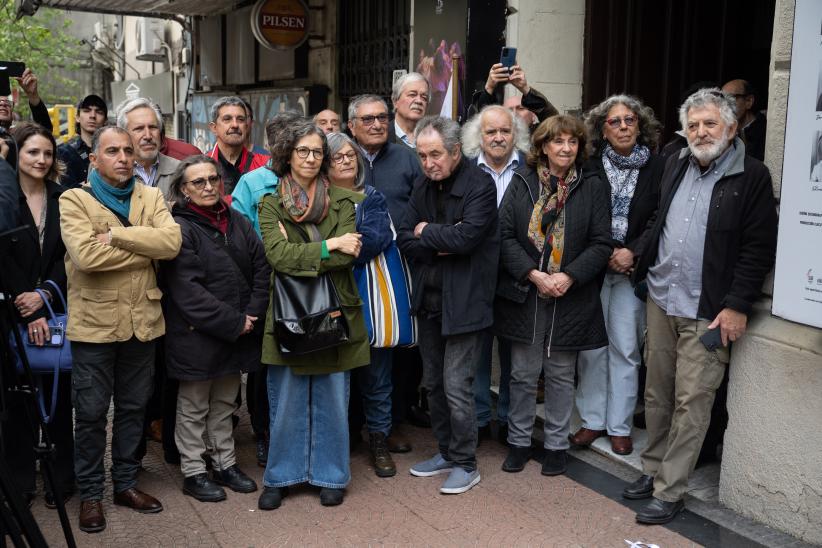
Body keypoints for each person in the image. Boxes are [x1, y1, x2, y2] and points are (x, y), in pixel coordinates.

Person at [624, 88, 778, 525]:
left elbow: (758, 248)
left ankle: (670, 490)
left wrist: (737, 305)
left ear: (731, 127)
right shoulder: (674, 161)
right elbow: (656, 218)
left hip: (709, 310)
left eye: (710, 123)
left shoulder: (752, 175)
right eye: (692, 125)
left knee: (692, 402)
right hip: (662, 299)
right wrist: (642, 258)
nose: (700, 132)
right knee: (656, 395)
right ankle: (652, 469)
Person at [59, 126, 182, 533]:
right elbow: (87, 257)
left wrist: (113, 236)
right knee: (91, 413)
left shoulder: (151, 196)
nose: (124, 158)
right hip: (94, 327)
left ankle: (125, 484)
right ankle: (91, 494)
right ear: (94, 159)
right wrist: (145, 248)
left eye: (128, 151)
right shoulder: (73, 199)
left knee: (134, 408)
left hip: (142, 323)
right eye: (112, 151)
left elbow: (171, 244)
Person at [257, 119, 368, 510]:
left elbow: (346, 257)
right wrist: (328, 245)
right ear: (287, 155)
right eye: (302, 150)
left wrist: (313, 251)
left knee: (333, 400)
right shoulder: (270, 203)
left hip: (336, 311)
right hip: (289, 313)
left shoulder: (344, 201)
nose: (309, 158)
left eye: (317, 152)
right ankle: (281, 477)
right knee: (285, 401)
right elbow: (278, 257)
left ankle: (330, 476)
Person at [494, 115, 611, 477]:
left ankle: (557, 446)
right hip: (526, 292)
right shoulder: (523, 180)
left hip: (570, 294)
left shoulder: (592, 185)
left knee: (561, 375)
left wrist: (568, 276)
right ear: (543, 146)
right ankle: (518, 442)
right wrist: (533, 274)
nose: (566, 148)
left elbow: (601, 242)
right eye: (558, 141)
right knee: (523, 374)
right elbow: (503, 235)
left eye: (572, 142)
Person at [397, 116, 499, 495]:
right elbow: (404, 237)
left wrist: (428, 232)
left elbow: (467, 238)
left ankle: (466, 463)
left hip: (467, 303)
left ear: (456, 151)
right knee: (434, 385)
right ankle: (446, 452)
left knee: (457, 386)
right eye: (422, 156)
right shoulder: (423, 185)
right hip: (429, 299)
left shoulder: (480, 184)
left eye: (435, 154)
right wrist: (440, 240)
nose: (428, 163)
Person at [162, 155, 270, 502]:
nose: (209, 186)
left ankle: (225, 464)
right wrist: (236, 322)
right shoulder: (179, 227)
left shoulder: (237, 220)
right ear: (184, 189)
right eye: (199, 182)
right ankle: (194, 472)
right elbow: (187, 291)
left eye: (213, 179)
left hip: (237, 332)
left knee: (224, 404)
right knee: (193, 408)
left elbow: (261, 268)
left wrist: (251, 314)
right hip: (197, 335)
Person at [571, 95, 665, 456]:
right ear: (603, 130)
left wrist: (632, 252)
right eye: (615, 121)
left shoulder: (658, 167)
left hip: (630, 270)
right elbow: (581, 212)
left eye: (630, 120)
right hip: (593, 268)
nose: (623, 126)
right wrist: (605, 251)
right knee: (592, 349)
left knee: (625, 348)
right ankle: (593, 420)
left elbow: (659, 215)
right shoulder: (589, 165)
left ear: (640, 126)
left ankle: (619, 426)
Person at [348, 94, 425, 451]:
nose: (377, 124)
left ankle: (390, 425)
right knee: (351, 350)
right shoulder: (341, 156)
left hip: (397, 266)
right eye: (368, 119)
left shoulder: (407, 158)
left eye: (382, 117)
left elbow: (422, 205)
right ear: (352, 126)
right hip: (348, 268)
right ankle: (352, 427)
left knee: (391, 350)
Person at [3, 122, 74, 508]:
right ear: (16, 153)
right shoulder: (4, 198)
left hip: (55, 306)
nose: (42, 160)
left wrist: (44, 294)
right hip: (12, 311)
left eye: (48, 153)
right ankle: (20, 479)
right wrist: (24, 303)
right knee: (18, 398)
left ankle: (61, 478)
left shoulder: (65, 198)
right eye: (33, 152)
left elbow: (71, 255)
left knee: (59, 395)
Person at [231, 111, 302, 467]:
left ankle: (295, 431)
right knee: (263, 366)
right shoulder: (252, 182)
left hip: (304, 284)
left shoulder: (311, 179)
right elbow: (239, 234)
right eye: (283, 142)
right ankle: (263, 432)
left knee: (300, 357)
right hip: (266, 284)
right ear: (271, 144)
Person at [326, 131, 397, 477]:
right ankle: (342, 439)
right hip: (330, 296)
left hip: (369, 297)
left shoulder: (372, 197)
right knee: (337, 375)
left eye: (350, 155)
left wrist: (331, 248)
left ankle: (379, 440)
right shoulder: (317, 198)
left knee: (376, 374)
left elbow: (373, 241)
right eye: (337, 157)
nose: (346, 161)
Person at [460, 105, 530, 442]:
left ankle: (506, 420)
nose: (498, 137)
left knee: (514, 356)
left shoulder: (531, 169)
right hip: (475, 275)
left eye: (505, 131)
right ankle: (479, 418)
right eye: (491, 132)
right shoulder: (465, 169)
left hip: (519, 275)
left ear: (516, 134)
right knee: (476, 353)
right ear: (480, 136)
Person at [468, 63, 558, 132]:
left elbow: (555, 122)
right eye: (509, 110)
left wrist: (524, 88)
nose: (514, 113)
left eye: (520, 108)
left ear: (533, 115)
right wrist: (489, 88)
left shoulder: (539, 137)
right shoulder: (496, 139)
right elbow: (480, 122)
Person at [206, 96, 269, 195]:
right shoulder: (201, 167)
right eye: (227, 119)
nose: (235, 125)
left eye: (240, 119)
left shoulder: (265, 165)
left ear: (246, 126)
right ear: (214, 128)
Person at [117, 98, 180, 195]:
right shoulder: (113, 172)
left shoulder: (179, 170)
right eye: (139, 129)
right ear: (124, 135)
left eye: (153, 127)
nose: (148, 136)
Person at [57, 94, 108, 188]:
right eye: (87, 111)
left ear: (105, 120)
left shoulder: (114, 150)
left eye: (99, 112)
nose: (92, 116)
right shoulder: (64, 152)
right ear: (77, 117)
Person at [721, 79, 767, 161]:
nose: (725, 105)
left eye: (731, 98)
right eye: (722, 99)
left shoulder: (766, 132)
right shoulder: (723, 132)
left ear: (749, 101)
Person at [389, 72, 430, 148]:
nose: (419, 101)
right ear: (395, 101)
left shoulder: (433, 138)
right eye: (412, 95)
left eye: (424, 97)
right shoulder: (381, 136)